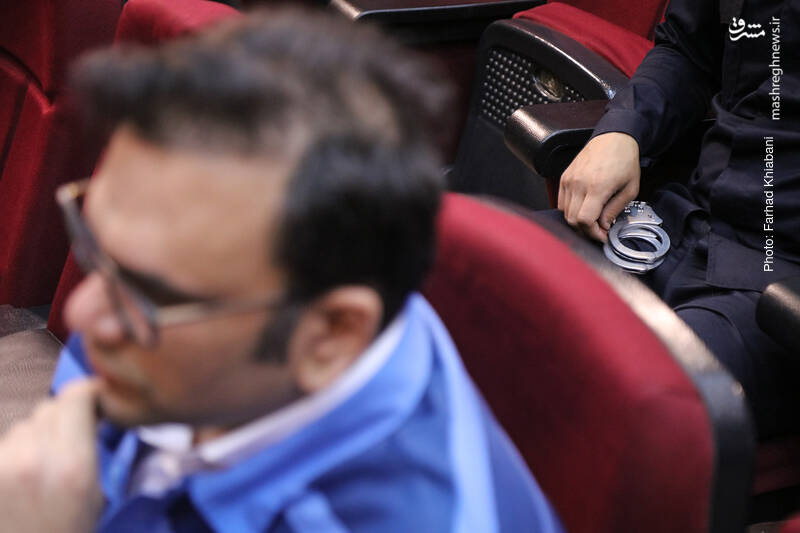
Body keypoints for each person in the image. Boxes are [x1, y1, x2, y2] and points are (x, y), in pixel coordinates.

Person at [0, 9, 564, 533]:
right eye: (97, 246)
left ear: (331, 333)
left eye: (147, 292)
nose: (81, 312)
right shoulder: (183, 311)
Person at [558, 0, 800, 438]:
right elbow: (688, 49)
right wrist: (623, 130)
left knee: (621, 394)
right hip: (686, 217)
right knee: (482, 290)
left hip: (779, 284)